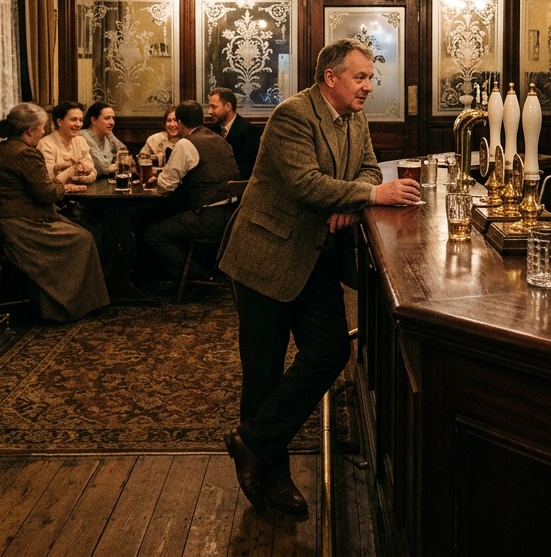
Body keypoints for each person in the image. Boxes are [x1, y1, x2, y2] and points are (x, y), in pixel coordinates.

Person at [218, 38, 421, 517]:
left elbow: (369, 168)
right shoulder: (293, 115)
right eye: (361, 77)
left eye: (371, 77)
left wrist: (353, 201)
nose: (370, 86)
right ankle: (274, 478)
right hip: (267, 256)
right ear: (331, 77)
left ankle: (251, 442)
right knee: (263, 372)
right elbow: (306, 184)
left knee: (331, 351)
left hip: (316, 260)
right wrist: (368, 196)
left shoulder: (355, 118)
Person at [0, 102, 110, 323]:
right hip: (20, 226)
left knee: (81, 232)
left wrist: (56, 172)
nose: (43, 132)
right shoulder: (26, 154)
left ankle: (70, 302)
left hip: (2, 222)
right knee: (83, 238)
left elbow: (32, 184)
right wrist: (68, 172)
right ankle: (63, 306)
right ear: (30, 130)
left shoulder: (2, 149)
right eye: (42, 127)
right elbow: (48, 194)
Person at [140, 100, 238, 286]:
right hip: (232, 214)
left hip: (209, 216)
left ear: (179, 122)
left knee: (153, 233)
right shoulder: (219, 139)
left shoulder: (186, 143)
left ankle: (197, 275)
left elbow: (166, 185)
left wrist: (157, 178)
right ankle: (199, 274)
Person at [38, 101, 97, 193]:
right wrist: (73, 170)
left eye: (81, 120)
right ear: (59, 122)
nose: (78, 124)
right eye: (73, 120)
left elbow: (92, 172)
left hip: (79, 195)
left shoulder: (80, 140)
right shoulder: (46, 144)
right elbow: (48, 182)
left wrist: (81, 176)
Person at [206, 86, 261, 178]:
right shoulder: (212, 131)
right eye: (209, 107)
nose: (209, 111)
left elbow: (248, 167)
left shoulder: (248, 130)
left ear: (228, 107)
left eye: (213, 107)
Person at [81, 102, 127, 177]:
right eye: (107, 118)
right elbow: (103, 167)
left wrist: (120, 164)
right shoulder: (83, 136)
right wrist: (120, 165)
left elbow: (125, 154)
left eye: (113, 118)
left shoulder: (108, 134)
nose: (112, 122)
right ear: (93, 120)